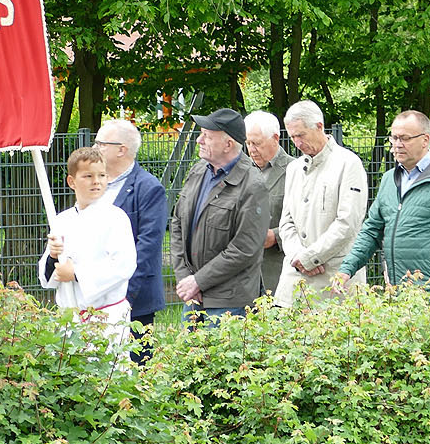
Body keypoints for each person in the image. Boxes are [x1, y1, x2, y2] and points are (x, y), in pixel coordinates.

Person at [334, 110, 430, 286]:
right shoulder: (389, 180)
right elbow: (372, 231)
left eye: (405, 138)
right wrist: (346, 269)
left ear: (425, 140)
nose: (397, 144)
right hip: (399, 294)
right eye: (394, 138)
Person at [171, 107, 269, 320]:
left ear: (228, 144)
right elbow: (177, 223)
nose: (199, 141)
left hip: (229, 303)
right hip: (194, 297)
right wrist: (185, 279)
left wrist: (198, 281)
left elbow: (244, 248)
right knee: (187, 354)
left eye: (207, 136)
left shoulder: (252, 184)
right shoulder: (199, 170)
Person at [39, 147, 137, 350]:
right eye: (88, 176)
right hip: (71, 318)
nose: (96, 181)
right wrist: (53, 257)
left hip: (107, 318)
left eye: (102, 175)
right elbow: (48, 274)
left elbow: (123, 266)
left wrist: (76, 274)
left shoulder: (115, 218)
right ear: (71, 182)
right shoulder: (61, 220)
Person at [276, 100, 369, 305]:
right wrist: (298, 257)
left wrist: (311, 258)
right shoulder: (294, 169)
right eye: (292, 137)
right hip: (294, 281)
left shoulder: (348, 163)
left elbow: (347, 223)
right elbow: (286, 222)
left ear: (319, 127)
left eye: (301, 135)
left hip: (334, 280)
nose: (297, 143)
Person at [94, 119, 169, 348]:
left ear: (121, 150)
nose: (94, 148)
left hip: (133, 302)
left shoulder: (148, 188)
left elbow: (147, 247)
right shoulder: (94, 184)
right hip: (94, 296)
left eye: (101, 144)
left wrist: (122, 297)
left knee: (134, 372)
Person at [243, 110, 292, 298]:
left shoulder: (294, 170)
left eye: (256, 143)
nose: (251, 149)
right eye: (247, 143)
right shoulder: (242, 171)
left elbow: (305, 220)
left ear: (275, 138)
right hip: (245, 277)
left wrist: (276, 236)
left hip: (278, 273)